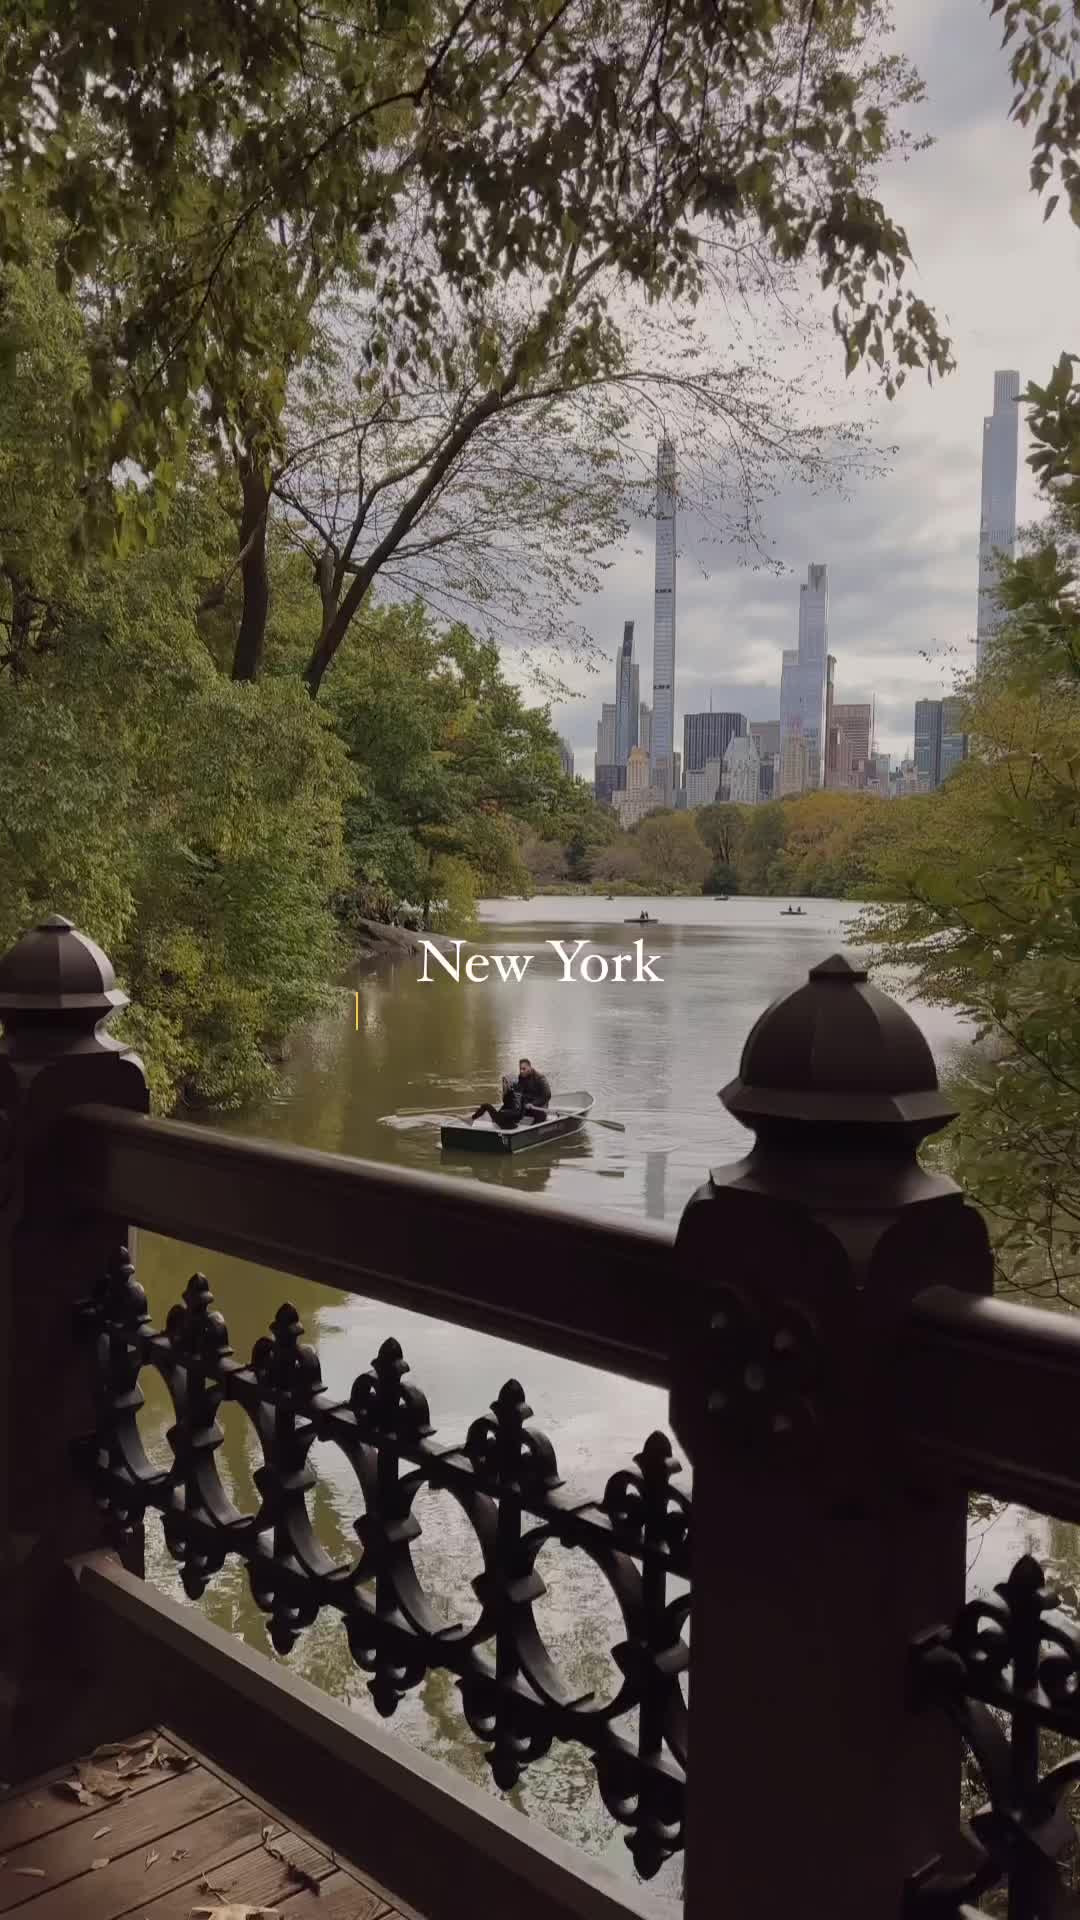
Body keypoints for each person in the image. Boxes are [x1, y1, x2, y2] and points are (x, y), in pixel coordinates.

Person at [471, 1058, 551, 1127]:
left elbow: (547, 1096)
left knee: (539, 1116)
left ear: (530, 1067)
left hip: (539, 1107)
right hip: (525, 1106)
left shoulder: (540, 1078)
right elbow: (520, 1093)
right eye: (520, 1069)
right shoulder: (521, 1077)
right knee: (507, 1108)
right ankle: (498, 1120)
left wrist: (533, 1104)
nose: (521, 1071)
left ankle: (531, 1131)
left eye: (524, 1069)